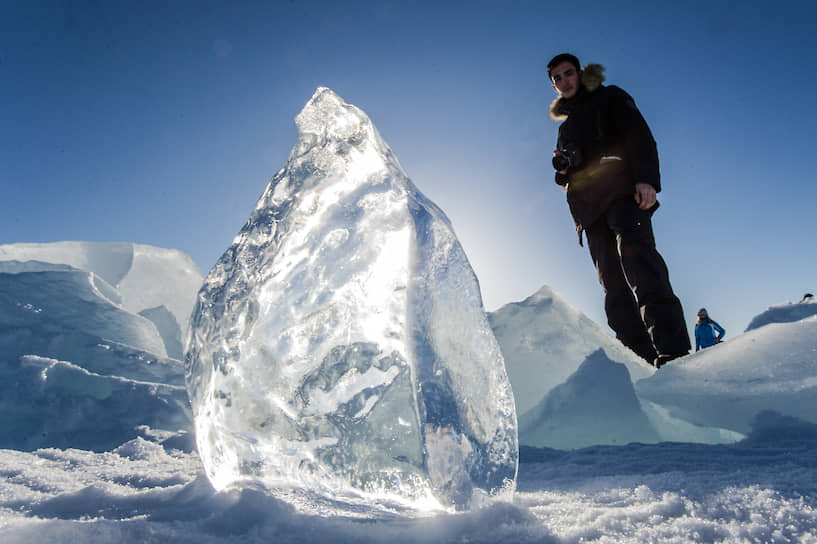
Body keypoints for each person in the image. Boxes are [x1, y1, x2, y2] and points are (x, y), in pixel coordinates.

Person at [547, 53, 690, 368]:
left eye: (568, 73)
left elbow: (639, 136)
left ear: (580, 73)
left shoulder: (610, 97)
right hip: (588, 210)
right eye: (556, 78)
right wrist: (563, 172)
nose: (563, 81)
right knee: (611, 284)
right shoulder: (565, 128)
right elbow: (569, 173)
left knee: (638, 261)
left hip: (622, 192)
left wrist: (647, 180)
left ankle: (673, 352)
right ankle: (640, 358)